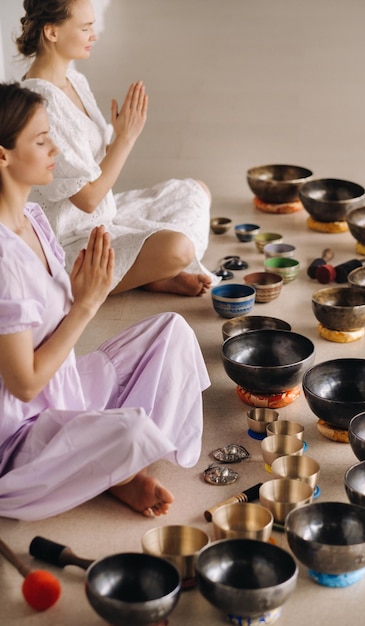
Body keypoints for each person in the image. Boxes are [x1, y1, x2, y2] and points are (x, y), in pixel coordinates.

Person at [0, 82, 210, 521]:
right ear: (3, 156)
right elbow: (24, 384)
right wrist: (85, 306)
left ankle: (111, 468)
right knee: (130, 428)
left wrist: (79, 293)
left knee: (170, 333)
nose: (55, 147)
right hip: (22, 437)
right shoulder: (3, 258)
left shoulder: (34, 219)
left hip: (68, 391)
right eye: (41, 140)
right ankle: (115, 470)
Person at [16, 0, 218, 297]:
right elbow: (87, 199)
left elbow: (95, 165)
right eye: (85, 27)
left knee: (195, 191)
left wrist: (120, 135)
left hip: (107, 216)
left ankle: (146, 272)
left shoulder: (73, 80)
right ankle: (136, 274)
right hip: (73, 241)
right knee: (179, 248)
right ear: (51, 32)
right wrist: (125, 139)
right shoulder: (39, 102)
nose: (94, 35)